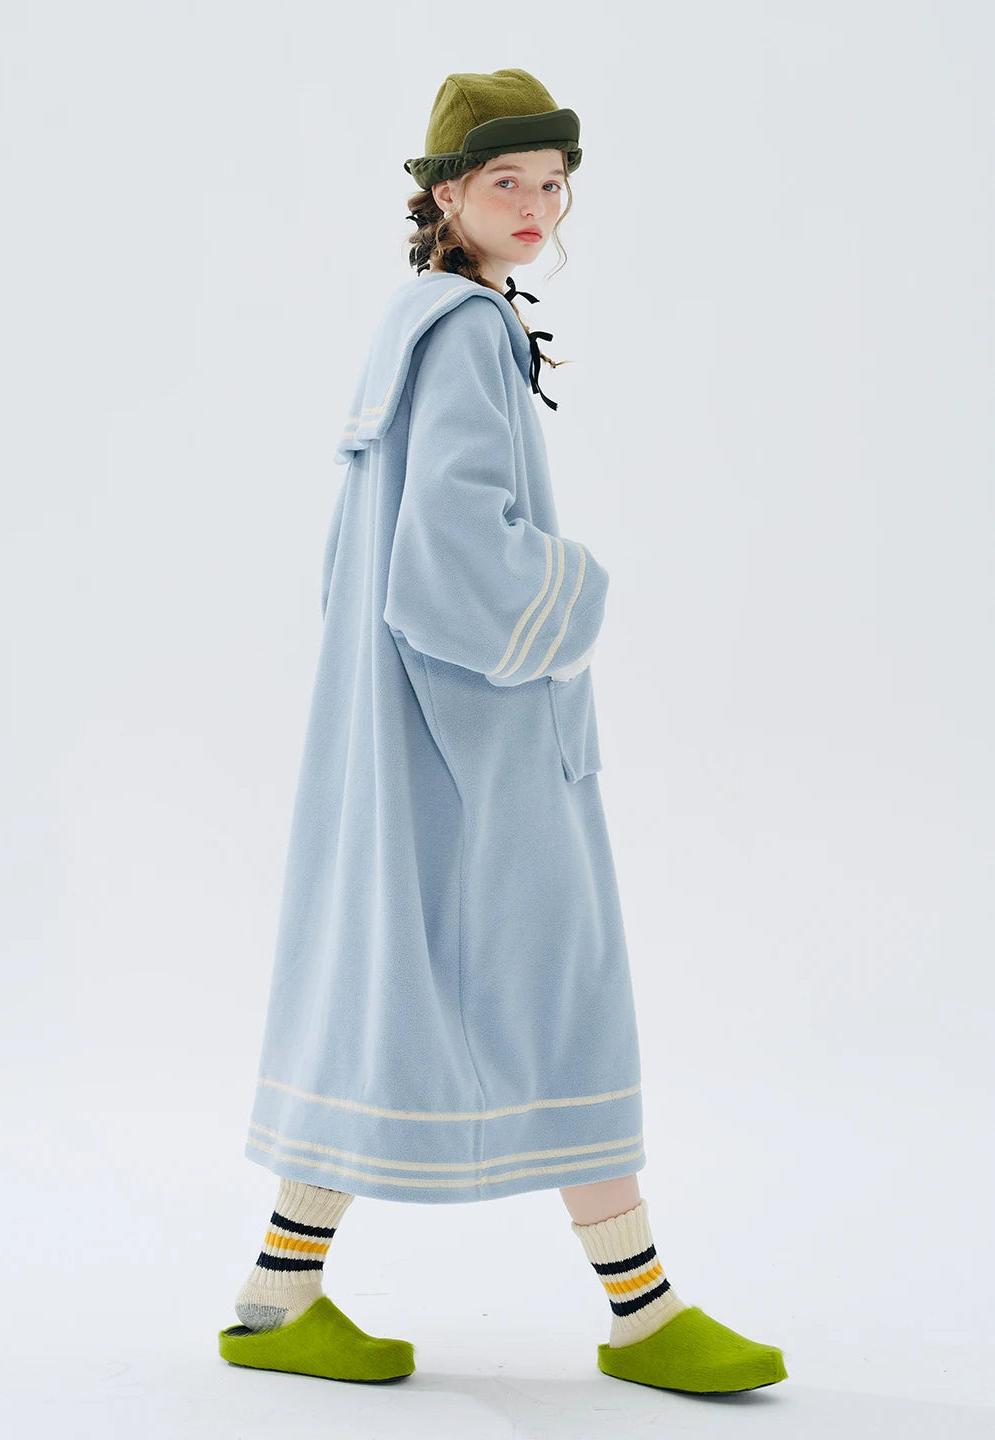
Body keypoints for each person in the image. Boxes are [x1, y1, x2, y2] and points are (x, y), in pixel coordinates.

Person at [217, 68, 788, 1394]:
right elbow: (454, 556)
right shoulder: (469, 327)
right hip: (479, 743)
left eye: (552, 183)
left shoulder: (411, 321)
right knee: (563, 994)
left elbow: (361, 559)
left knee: (386, 996)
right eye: (506, 182)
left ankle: (277, 1296)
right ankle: (643, 1315)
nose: (536, 206)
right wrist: (576, 591)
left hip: (403, 737)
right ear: (445, 195)